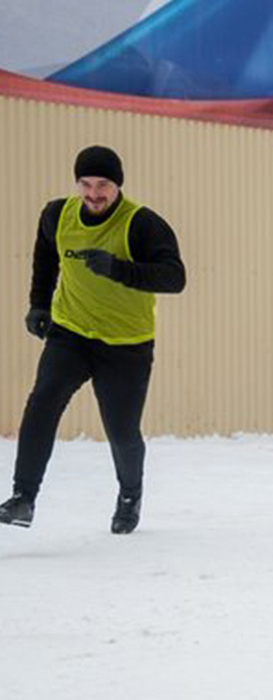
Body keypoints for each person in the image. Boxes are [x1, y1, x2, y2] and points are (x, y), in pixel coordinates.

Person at [0, 146, 186, 533]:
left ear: (117, 185)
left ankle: (130, 495)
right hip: (71, 332)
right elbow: (46, 259)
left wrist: (118, 269)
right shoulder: (57, 215)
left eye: (103, 185)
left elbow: (174, 277)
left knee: (121, 431)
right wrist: (39, 305)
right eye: (86, 184)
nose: (94, 194)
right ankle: (24, 498)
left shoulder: (142, 224)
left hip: (125, 344)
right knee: (42, 402)